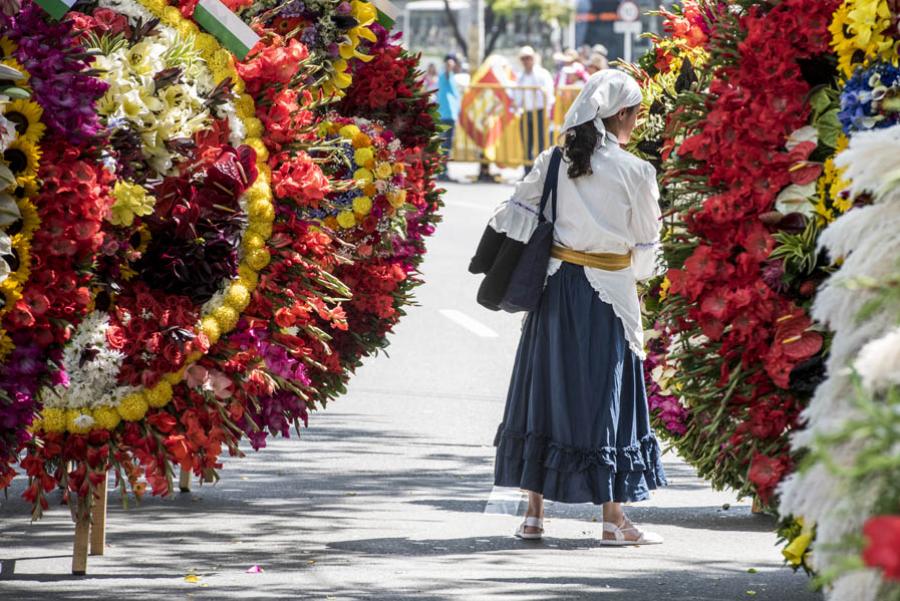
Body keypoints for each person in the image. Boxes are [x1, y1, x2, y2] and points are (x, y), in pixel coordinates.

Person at [489, 70, 667, 545]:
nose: (637, 123)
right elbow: (648, 255)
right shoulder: (636, 171)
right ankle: (613, 521)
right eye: (636, 114)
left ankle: (532, 516)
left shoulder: (553, 160)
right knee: (607, 397)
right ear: (622, 116)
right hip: (609, 292)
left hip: (556, 288)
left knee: (543, 392)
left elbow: (517, 215)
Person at [513, 46, 554, 175]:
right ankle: (527, 171)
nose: (526, 61)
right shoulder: (520, 77)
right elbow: (517, 97)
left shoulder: (542, 74)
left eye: (528, 58)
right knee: (526, 142)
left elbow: (549, 94)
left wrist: (547, 111)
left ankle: (540, 171)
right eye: (524, 59)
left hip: (540, 111)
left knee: (540, 143)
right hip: (526, 112)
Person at [436, 53, 461, 181]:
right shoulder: (445, 75)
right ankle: (442, 171)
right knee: (445, 145)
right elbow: (447, 68)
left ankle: (443, 170)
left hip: (450, 115)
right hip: (446, 115)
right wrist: (449, 64)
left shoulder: (451, 77)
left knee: (446, 145)